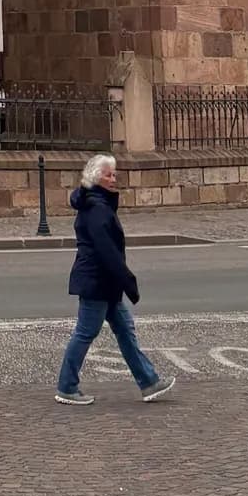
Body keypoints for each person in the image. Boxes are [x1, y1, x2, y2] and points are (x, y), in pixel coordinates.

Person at [55, 153, 176, 405]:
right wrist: (128, 281)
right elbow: (106, 251)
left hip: (104, 282)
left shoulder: (96, 202)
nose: (114, 179)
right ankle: (66, 386)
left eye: (114, 174)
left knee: (125, 330)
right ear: (96, 178)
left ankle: (149, 382)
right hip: (97, 281)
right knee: (86, 332)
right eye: (109, 175)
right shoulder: (97, 207)